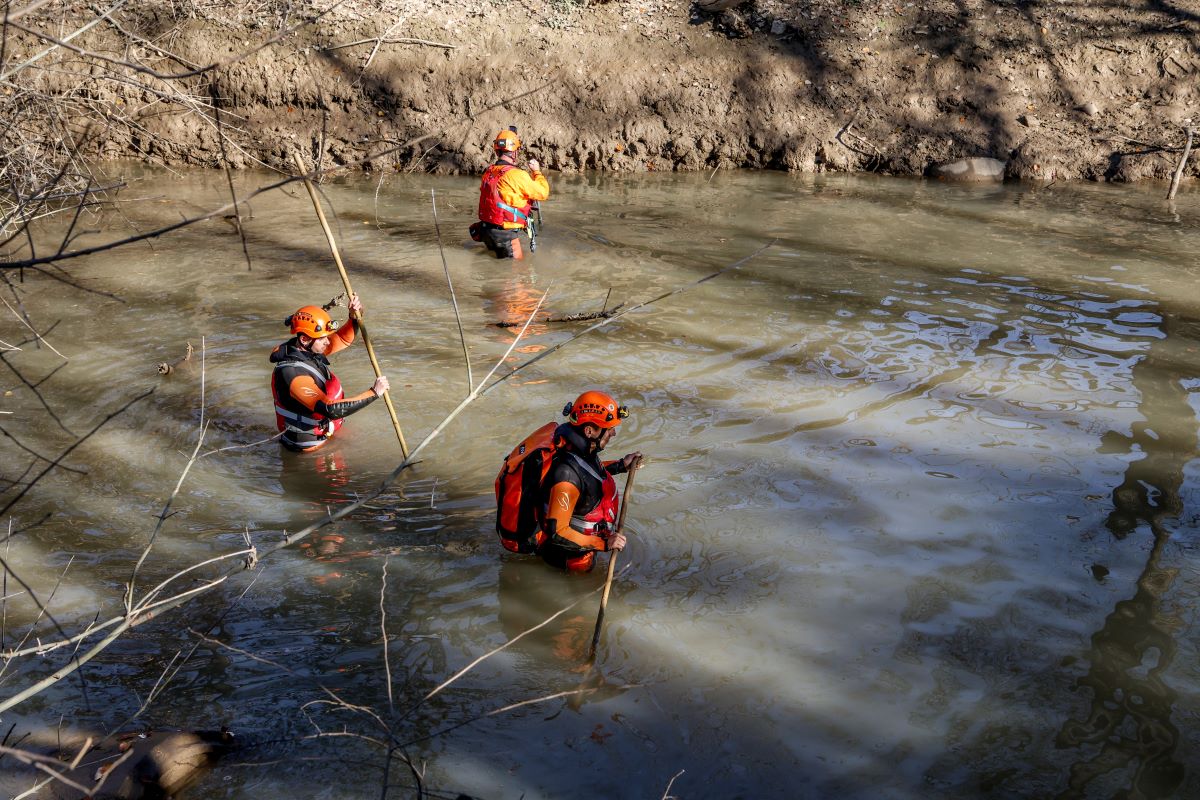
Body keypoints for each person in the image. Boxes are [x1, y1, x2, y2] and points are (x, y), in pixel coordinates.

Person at [270, 294, 389, 452]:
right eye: (323, 338)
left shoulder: (307, 350)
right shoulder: (293, 374)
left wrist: (354, 316)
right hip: (309, 451)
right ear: (305, 339)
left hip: (324, 433)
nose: (328, 341)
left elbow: (342, 338)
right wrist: (374, 392)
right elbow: (330, 410)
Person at [539, 391, 643, 572]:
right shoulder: (566, 475)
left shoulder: (583, 453)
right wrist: (603, 543)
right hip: (569, 562)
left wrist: (621, 466)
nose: (614, 433)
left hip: (584, 551)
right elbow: (558, 532)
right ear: (589, 431)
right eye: (609, 428)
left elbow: (589, 476)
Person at [473, 127, 549, 260]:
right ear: (514, 153)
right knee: (518, 273)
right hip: (505, 235)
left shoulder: (489, 172)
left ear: (497, 150)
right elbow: (543, 193)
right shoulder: (516, 175)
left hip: (485, 231)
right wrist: (537, 172)